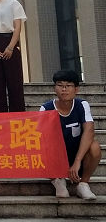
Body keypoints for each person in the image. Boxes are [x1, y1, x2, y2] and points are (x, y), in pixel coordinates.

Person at [40, 69, 101, 200]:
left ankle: (83, 184)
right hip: (57, 156)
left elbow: (89, 131)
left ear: (76, 89)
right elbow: (42, 138)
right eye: (60, 85)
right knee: (39, 146)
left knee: (95, 147)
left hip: (78, 153)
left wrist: (77, 161)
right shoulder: (46, 108)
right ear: (54, 88)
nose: (64, 89)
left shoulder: (82, 105)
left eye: (68, 86)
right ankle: (57, 180)